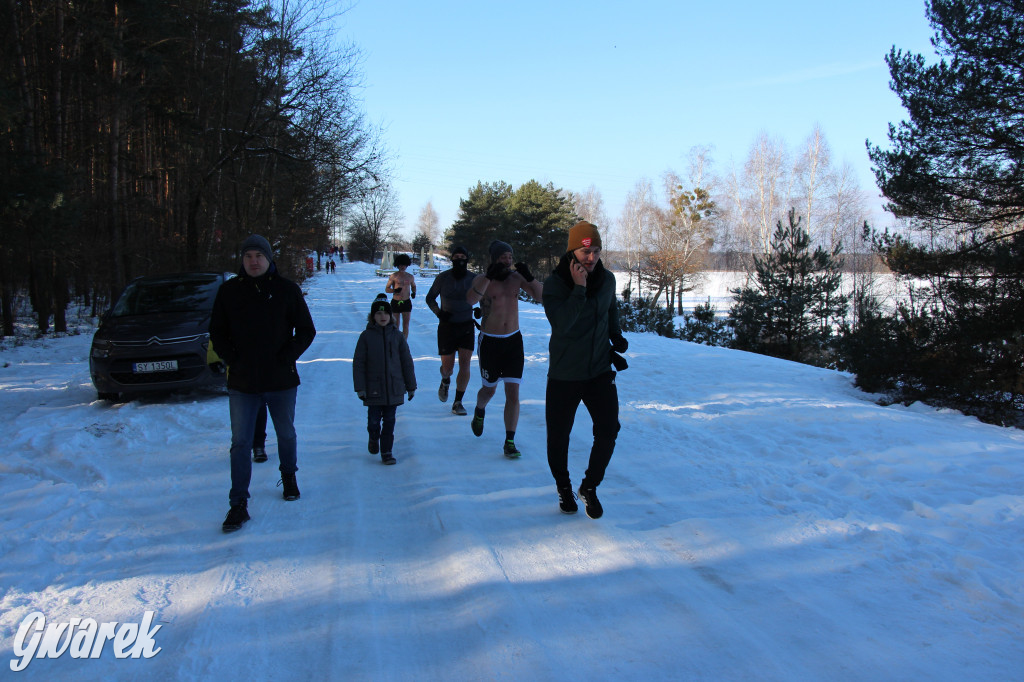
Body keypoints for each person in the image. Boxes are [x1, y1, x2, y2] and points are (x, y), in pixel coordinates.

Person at [210, 234, 316, 533]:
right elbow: (217, 332)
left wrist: (286, 357)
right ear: (242, 261)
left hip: (281, 380)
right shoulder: (229, 292)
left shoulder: (286, 290)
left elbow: (306, 330)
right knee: (240, 443)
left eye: (259, 255)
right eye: (248, 256)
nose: (253, 261)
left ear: (269, 259)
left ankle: (289, 476)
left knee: (286, 433)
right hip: (243, 381)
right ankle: (238, 503)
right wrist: (233, 360)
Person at [542, 221, 624, 519]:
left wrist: (616, 335)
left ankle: (589, 487)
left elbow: (610, 308)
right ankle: (564, 487)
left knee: (609, 428)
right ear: (572, 252)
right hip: (565, 374)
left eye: (596, 251)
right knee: (558, 436)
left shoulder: (608, 280)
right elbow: (563, 325)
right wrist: (579, 289)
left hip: (599, 370)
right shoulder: (555, 285)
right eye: (585, 251)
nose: (591, 257)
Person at [465, 240, 543, 458]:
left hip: (513, 341)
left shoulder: (516, 278)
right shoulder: (482, 279)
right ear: (494, 259)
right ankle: (480, 409)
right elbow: (470, 300)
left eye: (510, 257)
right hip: (490, 341)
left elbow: (541, 296)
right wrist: (489, 276)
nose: (508, 261)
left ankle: (510, 440)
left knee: (513, 392)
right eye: (503, 257)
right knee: (489, 390)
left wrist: (530, 277)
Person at [352, 299, 417, 465]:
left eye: (386, 313)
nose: (383, 316)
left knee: (389, 421)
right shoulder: (366, 337)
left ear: (391, 316)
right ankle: (373, 437)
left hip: (394, 387)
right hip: (373, 387)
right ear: (372, 317)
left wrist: (410, 386)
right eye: (378, 313)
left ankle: (387, 451)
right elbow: (359, 363)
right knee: (374, 421)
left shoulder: (398, 336)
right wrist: (360, 387)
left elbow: (406, 361)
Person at [425, 245, 478, 416]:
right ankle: (445, 380)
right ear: (452, 259)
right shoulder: (443, 277)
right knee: (447, 367)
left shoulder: (474, 278)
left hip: (467, 326)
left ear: (467, 259)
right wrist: (439, 313)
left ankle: (458, 402)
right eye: (456, 257)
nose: (460, 259)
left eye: (463, 256)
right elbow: (430, 298)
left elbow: (486, 299)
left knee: (465, 364)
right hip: (447, 326)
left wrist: (481, 311)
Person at [385, 253, 416, 339]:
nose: (403, 267)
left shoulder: (410, 277)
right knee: (396, 324)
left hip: (406, 302)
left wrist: (414, 292)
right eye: (401, 265)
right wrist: (394, 290)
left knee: (406, 325)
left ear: (407, 265)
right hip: (396, 301)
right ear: (398, 265)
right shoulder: (393, 276)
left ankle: (404, 343)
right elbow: (387, 289)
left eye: (404, 265)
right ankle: (395, 341)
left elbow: (413, 286)